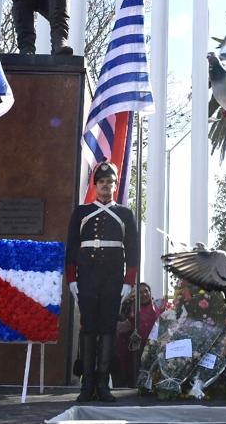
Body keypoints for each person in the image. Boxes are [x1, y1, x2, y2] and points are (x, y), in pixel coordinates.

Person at [65, 161, 139, 403]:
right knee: (88, 329)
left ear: (115, 186)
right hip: (87, 277)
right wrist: (72, 279)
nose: (106, 187)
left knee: (107, 328)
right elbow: (72, 248)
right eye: (102, 182)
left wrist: (129, 281)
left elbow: (133, 250)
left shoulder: (125, 214)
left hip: (112, 278)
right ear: (95, 185)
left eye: (110, 183)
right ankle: (86, 385)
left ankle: (102, 383)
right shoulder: (81, 212)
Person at [114, 283, 159, 387]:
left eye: (146, 291)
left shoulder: (156, 306)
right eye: (140, 292)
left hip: (151, 347)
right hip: (133, 349)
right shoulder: (130, 305)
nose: (144, 294)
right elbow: (121, 324)